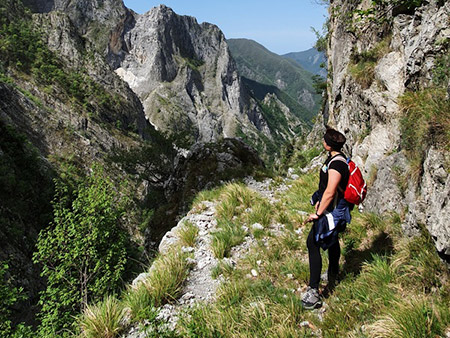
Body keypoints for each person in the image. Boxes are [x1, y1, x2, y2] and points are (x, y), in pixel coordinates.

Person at [301, 126, 352, 310]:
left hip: (332, 212)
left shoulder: (337, 164)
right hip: (330, 209)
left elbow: (331, 191)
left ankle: (313, 291)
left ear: (328, 145)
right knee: (332, 241)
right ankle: (333, 274)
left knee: (312, 243)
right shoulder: (333, 159)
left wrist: (318, 213)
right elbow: (325, 188)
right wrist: (316, 197)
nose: (322, 141)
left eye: (324, 140)